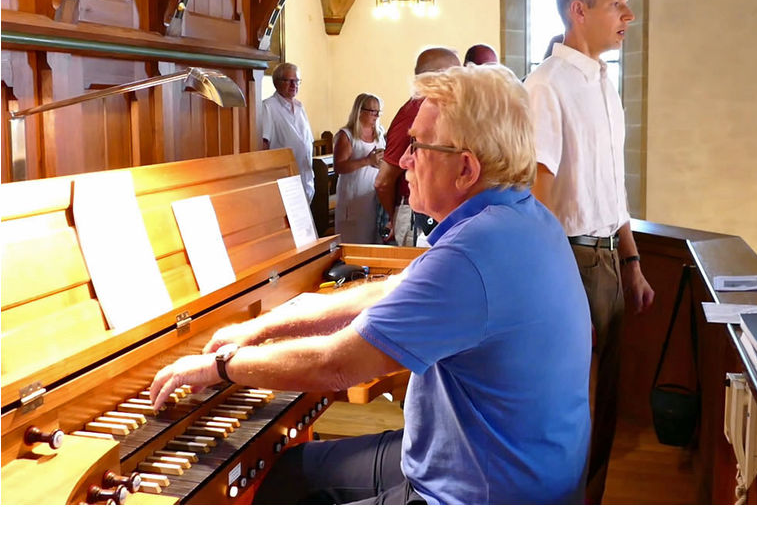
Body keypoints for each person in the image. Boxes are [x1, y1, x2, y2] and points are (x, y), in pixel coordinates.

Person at [148, 63, 592, 505]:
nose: (402, 160)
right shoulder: (517, 217)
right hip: (493, 461)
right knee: (290, 474)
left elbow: (335, 365)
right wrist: (263, 327)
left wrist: (223, 367)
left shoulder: (475, 251)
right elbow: (390, 288)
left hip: (487, 498)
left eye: (417, 146)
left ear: (466, 169)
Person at [524, 0, 655, 505]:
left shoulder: (605, 82)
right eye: (616, 3)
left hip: (607, 259)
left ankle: (590, 506)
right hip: (572, 263)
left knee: (606, 405)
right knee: (567, 407)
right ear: (579, 11)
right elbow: (541, 196)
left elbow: (611, 186)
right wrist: (554, 284)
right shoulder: (546, 86)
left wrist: (633, 261)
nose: (629, 14)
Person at [374, 46, 460, 246]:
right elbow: (383, 181)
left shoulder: (445, 108)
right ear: (438, 77)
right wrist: (393, 216)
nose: (461, 81)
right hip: (414, 213)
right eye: (456, 73)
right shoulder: (414, 111)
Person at [332, 93, 386, 243]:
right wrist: (367, 161)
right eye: (372, 111)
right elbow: (339, 166)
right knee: (353, 239)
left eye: (378, 111)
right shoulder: (347, 135)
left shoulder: (379, 133)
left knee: (372, 239)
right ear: (360, 111)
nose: (376, 115)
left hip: (372, 195)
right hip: (353, 196)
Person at [262, 62, 315, 203]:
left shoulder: (300, 107)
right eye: (288, 81)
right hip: (284, 183)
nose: (294, 85)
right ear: (276, 82)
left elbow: (306, 141)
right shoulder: (268, 106)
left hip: (305, 181)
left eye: (296, 81)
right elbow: (263, 146)